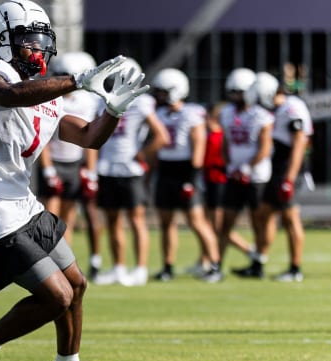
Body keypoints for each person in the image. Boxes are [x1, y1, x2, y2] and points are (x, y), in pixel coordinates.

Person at [0, 0, 148, 361]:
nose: (37, 51)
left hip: (24, 204)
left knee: (77, 285)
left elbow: (88, 138)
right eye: (27, 42)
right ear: (1, 41)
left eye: (41, 42)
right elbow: (11, 95)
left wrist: (113, 112)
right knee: (56, 296)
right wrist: (77, 80)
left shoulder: (48, 96)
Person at [91, 57, 169, 287]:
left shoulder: (142, 103)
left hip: (130, 169)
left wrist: (142, 155)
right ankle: (118, 267)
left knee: (136, 220)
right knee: (113, 221)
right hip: (107, 168)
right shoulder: (102, 100)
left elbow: (161, 136)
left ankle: (141, 269)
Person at [240, 72, 314, 282]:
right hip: (276, 168)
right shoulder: (277, 109)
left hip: (287, 168)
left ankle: (295, 268)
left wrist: (289, 178)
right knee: (264, 213)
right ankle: (259, 262)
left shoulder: (292, 108)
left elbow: (300, 144)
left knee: (290, 218)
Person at [149, 68, 221, 282]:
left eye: (163, 91)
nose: (160, 96)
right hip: (165, 169)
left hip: (186, 171)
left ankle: (214, 265)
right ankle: (168, 266)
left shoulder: (192, 113)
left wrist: (192, 177)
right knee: (166, 221)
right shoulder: (160, 113)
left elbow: (198, 145)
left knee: (197, 221)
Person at [37, 51, 103, 280]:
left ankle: (63, 264)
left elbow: (89, 139)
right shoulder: (48, 100)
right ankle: (46, 264)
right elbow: (41, 138)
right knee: (49, 218)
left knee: (69, 219)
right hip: (54, 162)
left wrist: (91, 171)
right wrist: (48, 169)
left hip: (74, 164)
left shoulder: (88, 102)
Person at [215, 67, 274, 281]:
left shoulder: (261, 115)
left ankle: (258, 261)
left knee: (258, 222)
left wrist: (247, 167)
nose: (234, 96)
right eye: (232, 92)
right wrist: (230, 165)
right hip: (234, 175)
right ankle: (216, 265)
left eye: (238, 92)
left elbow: (265, 147)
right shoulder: (227, 113)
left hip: (256, 176)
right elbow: (225, 143)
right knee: (225, 223)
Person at [197, 102, 254, 276]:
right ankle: (204, 259)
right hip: (209, 180)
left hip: (219, 181)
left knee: (218, 227)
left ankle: (248, 250)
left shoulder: (220, 133)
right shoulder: (213, 132)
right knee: (209, 225)